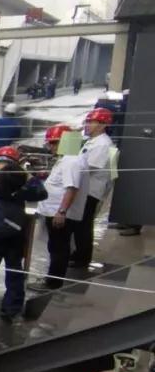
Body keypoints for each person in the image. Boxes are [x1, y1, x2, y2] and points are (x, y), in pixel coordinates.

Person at [0, 145, 46, 321]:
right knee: (12, 271)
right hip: (13, 232)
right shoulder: (20, 186)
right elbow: (41, 192)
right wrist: (26, 174)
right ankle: (10, 308)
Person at [36, 124, 89, 289]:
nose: (51, 146)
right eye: (50, 143)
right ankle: (52, 279)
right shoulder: (67, 158)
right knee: (55, 247)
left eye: (54, 142)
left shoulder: (71, 161)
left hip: (58, 213)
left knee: (58, 248)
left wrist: (61, 211)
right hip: (54, 211)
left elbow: (72, 188)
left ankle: (53, 283)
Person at [71, 107, 115, 269]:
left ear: (103, 125)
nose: (88, 125)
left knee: (83, 225)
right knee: (79, 224)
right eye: (87, 121)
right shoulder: (92, 141)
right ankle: (78, 253)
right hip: (84, 189)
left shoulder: (102, 144)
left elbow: (88, 167)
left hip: (90, 191)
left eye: (92, 122)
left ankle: (82, 258)